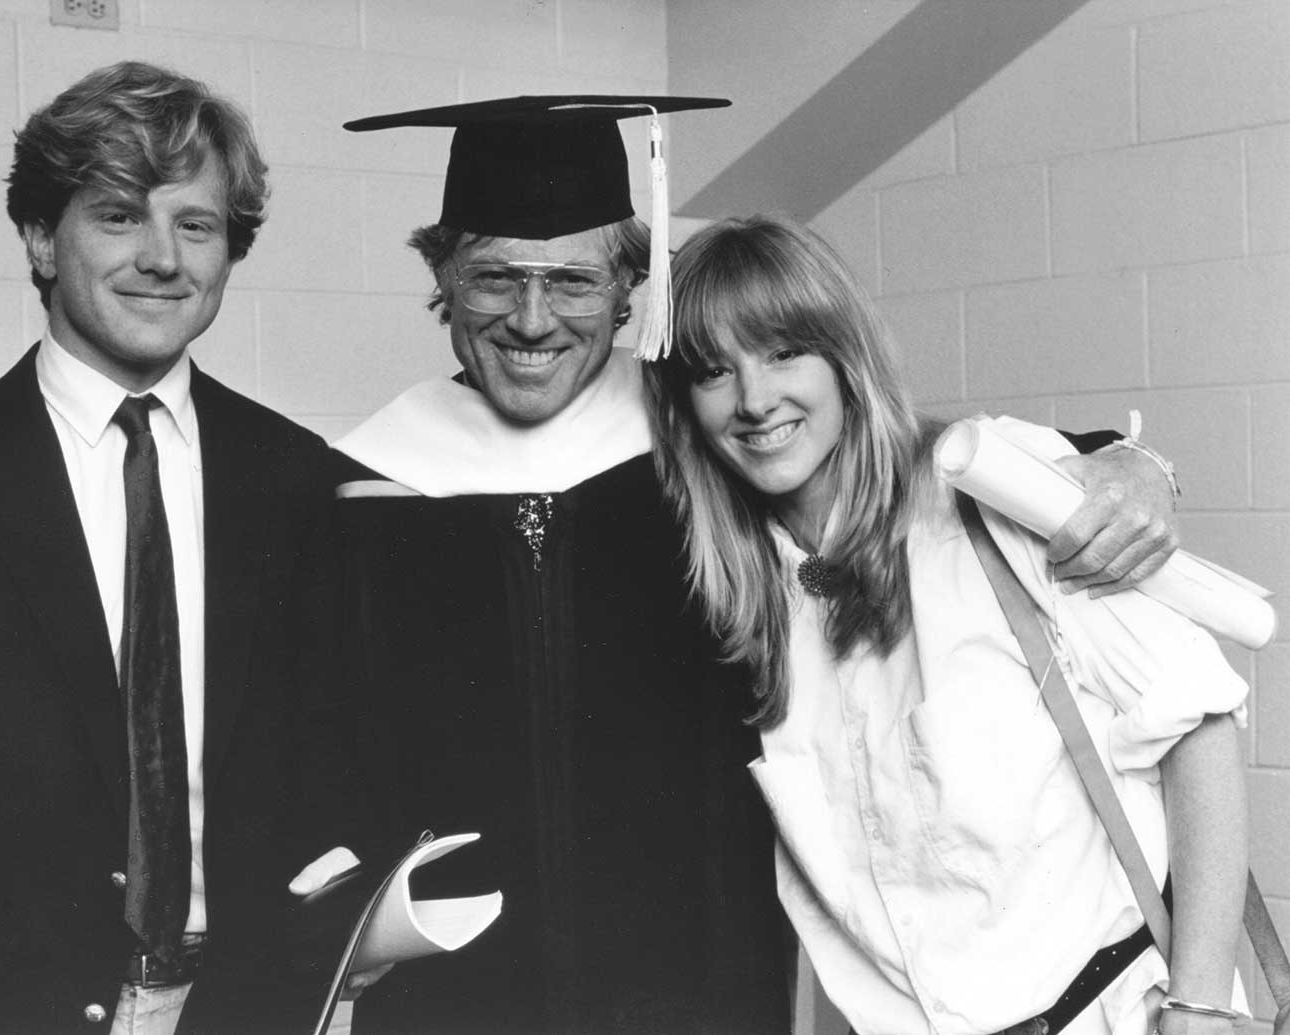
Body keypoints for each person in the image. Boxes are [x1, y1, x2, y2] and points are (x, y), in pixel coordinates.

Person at [331, 97, 1186, 1033]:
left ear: (628, 288)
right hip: (458, 996)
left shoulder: (706, 440)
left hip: (704, 979)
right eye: (494, 277)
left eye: (573, 281)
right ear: (443, 280)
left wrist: (1126, 461)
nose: (534, 319)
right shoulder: (356, 487)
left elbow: (904, 454)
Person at [0, 61, 354, 1035]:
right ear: (39, 239)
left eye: (196, 225)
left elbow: (332, 770)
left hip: (248, 1012)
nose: (161, 258)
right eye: (116, 216)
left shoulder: (300, 479)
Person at [641, 215, 1249, 1035]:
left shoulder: (981, 489)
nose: (754, 400)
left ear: (843, 356)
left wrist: (1201, 1002)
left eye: (785, 351)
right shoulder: (733, 596)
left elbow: (1197, 721)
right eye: (715, 371)